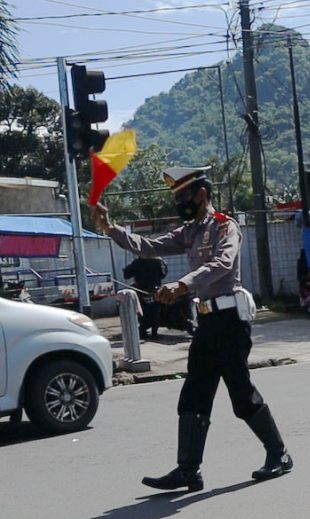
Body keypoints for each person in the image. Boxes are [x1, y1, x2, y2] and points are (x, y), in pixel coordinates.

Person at [90, 166, 294, 491]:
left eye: (184, 195)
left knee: (240, 394)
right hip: (207, 323)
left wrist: (182, 285)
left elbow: (223, 264)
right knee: (194, 395)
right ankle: (188, 470)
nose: (180, 202)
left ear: (201, 193)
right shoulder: (190, 231)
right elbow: (148, 246)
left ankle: (279, 454)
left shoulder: (226, 227)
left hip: (230, 322)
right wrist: (111, 228)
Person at [123, 256, 167, 339]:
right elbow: (163, 274)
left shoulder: (137, 262)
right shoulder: (158, 261)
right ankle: (153, 332)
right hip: (153, 289)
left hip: (142, 289)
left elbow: (126, 274)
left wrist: (128, 267)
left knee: (142, 312)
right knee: (155, 311)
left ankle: (144, 330)